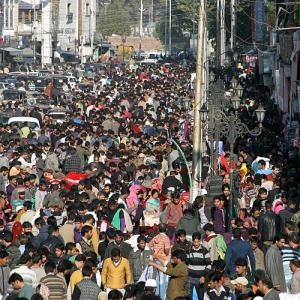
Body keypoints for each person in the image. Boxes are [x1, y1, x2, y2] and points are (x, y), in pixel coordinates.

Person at [186, 232, 211, 298]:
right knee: (189, 296)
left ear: (200, 241)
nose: (196, 244)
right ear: (192, 241)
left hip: (200, 278)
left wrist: (203, 276)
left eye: (198, 242)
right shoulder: (189, 250)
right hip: (190, 278)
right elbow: (186, 263)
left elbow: (209, 265)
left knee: (201, 296)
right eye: (195, 242)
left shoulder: (204, 251)